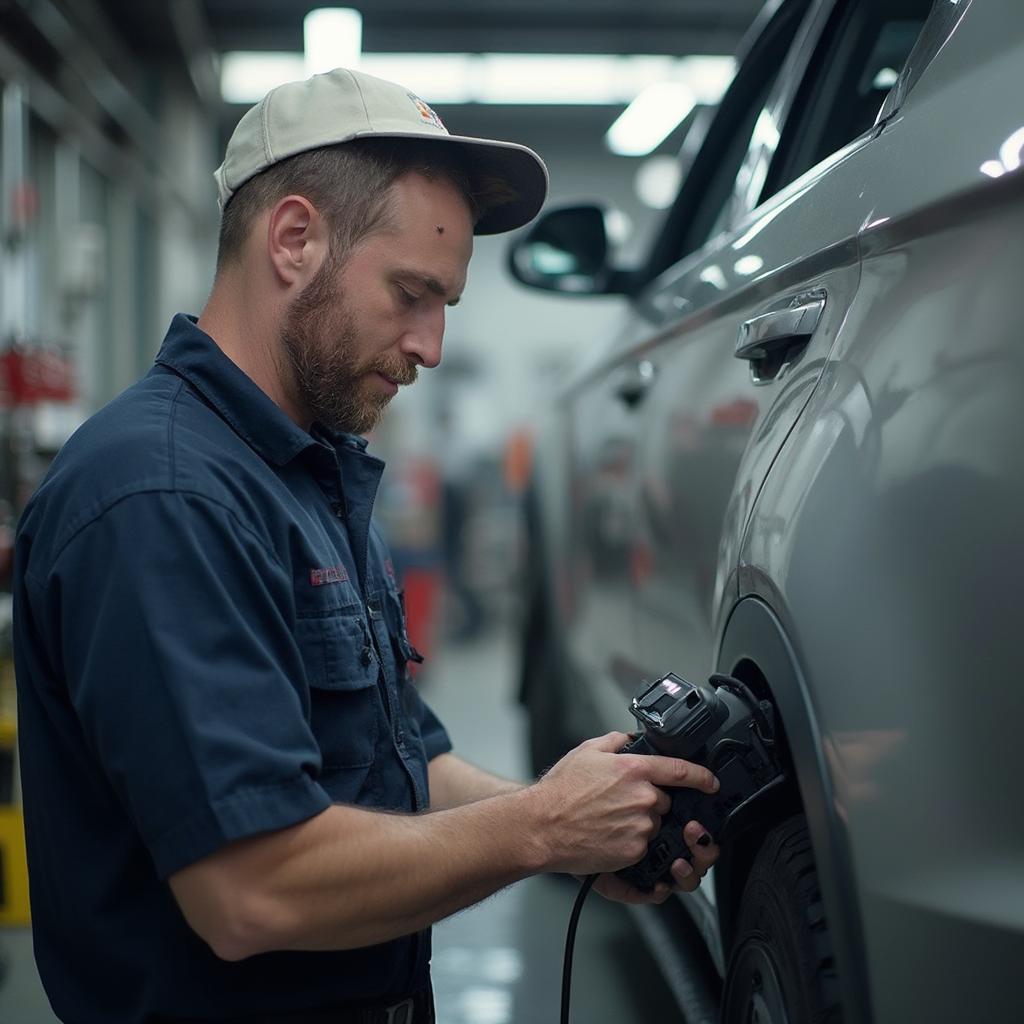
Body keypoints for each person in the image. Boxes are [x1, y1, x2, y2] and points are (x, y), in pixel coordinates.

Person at [12, 67, 719, 1023]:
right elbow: (252, 890)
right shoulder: (162, 496)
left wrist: (581, 815)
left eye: (446, 307)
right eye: (410, 293)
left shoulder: (303, 474)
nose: (431, 346)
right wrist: (541, 831)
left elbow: (403, 769)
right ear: (294, 240)